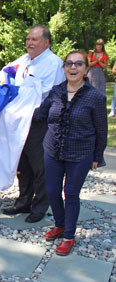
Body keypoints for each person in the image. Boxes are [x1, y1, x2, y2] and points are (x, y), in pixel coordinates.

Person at [36, 50, 107, 256]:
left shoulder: (96, 97)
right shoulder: (56, 91)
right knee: (51, 191)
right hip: (52, 150)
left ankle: (69, 236)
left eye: (78, 64)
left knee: (72, 194)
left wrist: (97, 156)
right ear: (64, 67)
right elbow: (40, 113)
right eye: (69, 63)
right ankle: (59, 224)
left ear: (86, 69)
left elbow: (101, 129)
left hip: (80, 153)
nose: (73, 67)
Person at [1, 25, 65, 223]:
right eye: (28, 39)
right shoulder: (25, 59)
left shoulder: (54, 63)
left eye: (34, 39)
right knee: (23, 164)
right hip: (20, 120)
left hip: (39, 121)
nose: (29, 42)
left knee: (40, 166)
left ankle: (40, 206)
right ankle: (23, 201)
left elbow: (51, 94)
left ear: (46, 42)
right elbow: (5, 70)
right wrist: (6, 83)